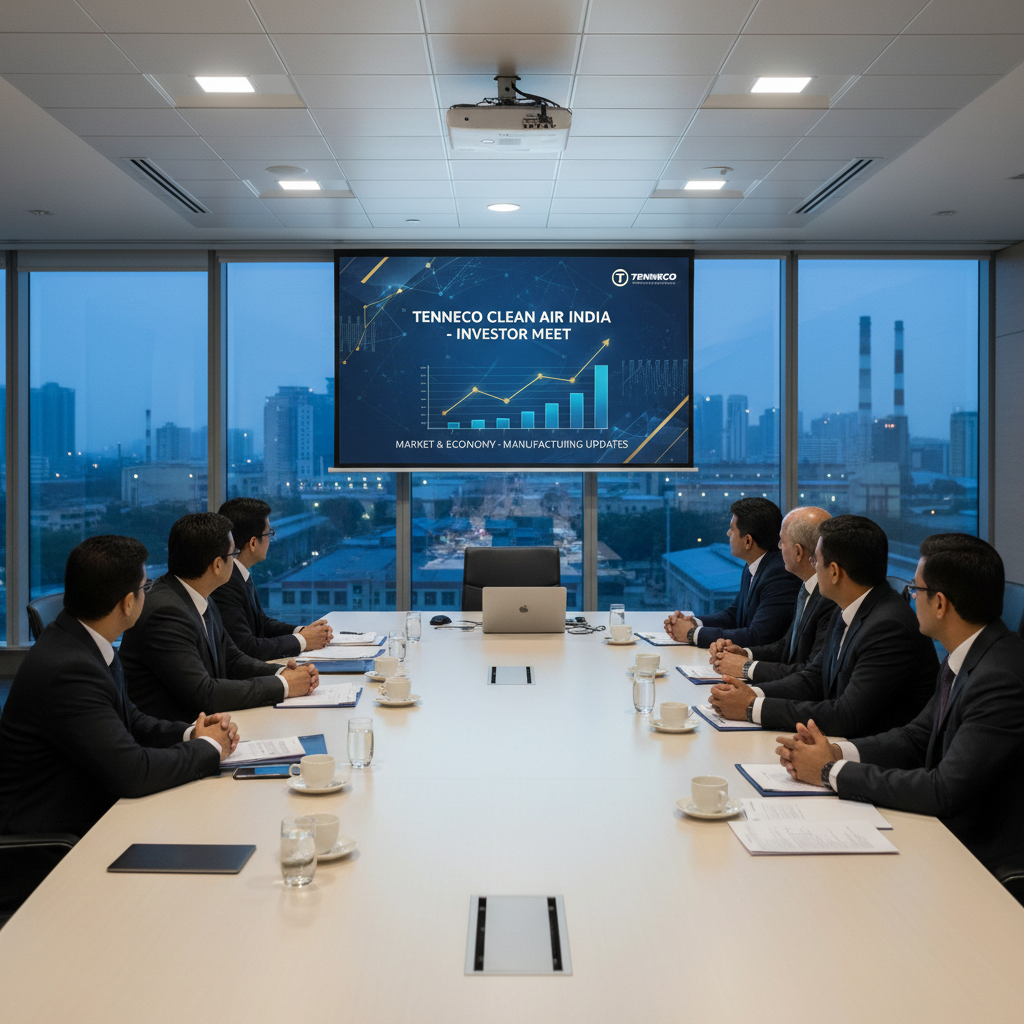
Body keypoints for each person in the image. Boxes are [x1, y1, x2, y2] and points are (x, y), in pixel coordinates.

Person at [776, 534, 1024, 876]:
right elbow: (915, 737)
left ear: (940, 603)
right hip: (942, 835)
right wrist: (835, 753)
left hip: (981, 861)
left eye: (915, 589)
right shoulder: (965, 655)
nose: (909, 598)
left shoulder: (999, 677)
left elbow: (944, 789)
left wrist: (828, 772)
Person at [0, 536, 238, 838]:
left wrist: (192, 733)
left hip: (92, 809)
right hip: (51, 842)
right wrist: (210, 748)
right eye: (145, 587)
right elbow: (134, 773)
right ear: (127, 603)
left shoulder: (83, 640)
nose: (148, 593)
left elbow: (131, 720)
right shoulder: (69, 669)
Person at [709, 515, 937, 736]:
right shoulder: (849, 607)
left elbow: (845, 716)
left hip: (871, 754)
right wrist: (750, 694)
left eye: (815, 560)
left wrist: (752, 707)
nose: (813, 568)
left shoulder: (889, 627)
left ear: (835, 572)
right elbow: (814, 678)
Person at [121, 513, 319, 722]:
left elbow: (232, 659)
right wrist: (285, 686)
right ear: (217, 565)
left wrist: (283, 673)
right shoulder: (165, 613)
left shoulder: (199, 595)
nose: (235, 560)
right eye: (233, 554)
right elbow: (205, 693)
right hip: (173, 739)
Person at [708, 506, 834, 683]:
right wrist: (745, 653)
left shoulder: (830, 599)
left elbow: (812, 674)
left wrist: (746, 668)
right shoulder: (808, 586)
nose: (779, 547)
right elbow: (786, 646)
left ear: (798, 552)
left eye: (782, 542)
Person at [664, 497, 801, 649]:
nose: (728, 533)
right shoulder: (754, 565)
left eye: (732, 529)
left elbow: (756, 636)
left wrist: (692, 634)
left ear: (748, 541)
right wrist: (693, 622)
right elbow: (734, 614)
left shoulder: (780, 575)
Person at [213, 497, 333, 660]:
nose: (271, 539)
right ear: (253, 543)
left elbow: (262, 623)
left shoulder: (239, 573)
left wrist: (303, 632)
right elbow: (246, 647)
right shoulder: (226, 583)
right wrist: (303, 640)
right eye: (269, 533)